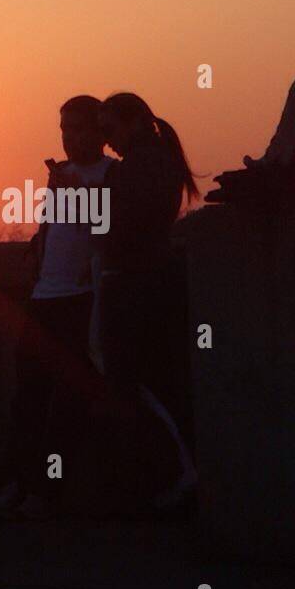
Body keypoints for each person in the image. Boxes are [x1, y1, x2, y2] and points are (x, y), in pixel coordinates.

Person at [0, 95, 114, 520]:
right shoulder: (62, 176)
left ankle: (49, 494)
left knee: (70, 404)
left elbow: (108, 231)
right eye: (64, 129)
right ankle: (17, 485)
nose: (70, 138)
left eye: (78, 128)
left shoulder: (111, 175)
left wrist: (73, 193)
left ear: (101, 132)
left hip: (81, 302)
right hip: (45, 297)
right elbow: (55, 228)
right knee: (29, 399)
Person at [95, 92, 199, 511]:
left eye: (109, 130)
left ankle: (175, 476)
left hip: (138, 284)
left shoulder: (143, 166)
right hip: (143, 280)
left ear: (133, 122)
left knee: (140, 383)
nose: (107, 142)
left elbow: (126, 224)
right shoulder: (152, 161)